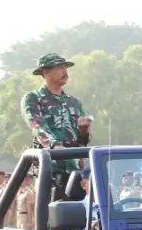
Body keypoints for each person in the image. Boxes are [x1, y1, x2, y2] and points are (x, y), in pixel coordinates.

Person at [22, 55, 92, 193]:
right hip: (51, 170)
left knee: (79, 211)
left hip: (75, 171)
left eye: (65, 67)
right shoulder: (34, 98)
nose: (65, 71)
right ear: (46, 72)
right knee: (51, 211)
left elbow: (82, 144)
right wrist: (56, 146)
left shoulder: (74, 103)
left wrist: (84, 131)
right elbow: (36, 126)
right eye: (60, 68)